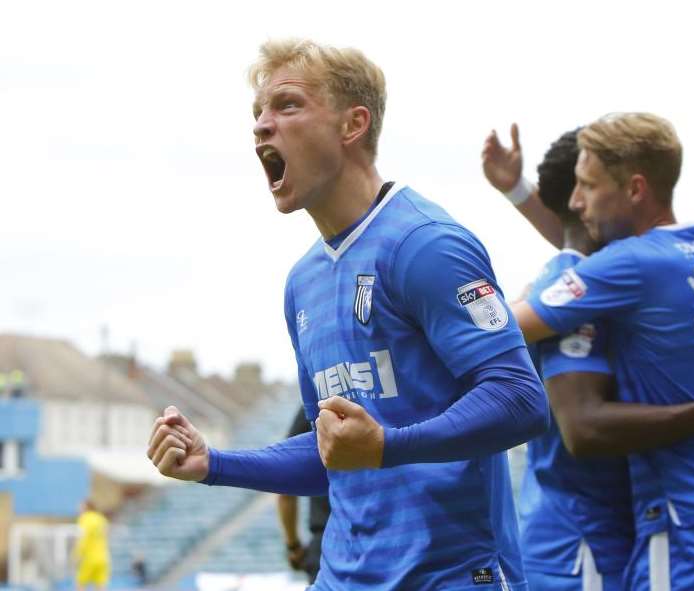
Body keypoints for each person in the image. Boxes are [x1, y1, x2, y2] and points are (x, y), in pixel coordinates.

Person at [147, 38, 548, 591]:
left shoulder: (425, 244)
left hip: (451, 575)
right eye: (257, 113)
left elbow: (521, 400)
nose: (262, 125)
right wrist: (214, 463)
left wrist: (388, 446)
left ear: (353, 124)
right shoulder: (302, 281)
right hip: (342, 578)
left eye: (287, 105)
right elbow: (329, 449)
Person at [508, 112, 694, 590]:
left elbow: (504, 328)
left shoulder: (624, 266)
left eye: (589, 186)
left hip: (692, 526)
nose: (578, 202)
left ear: (636, 189)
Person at [277, 406, 330, 584]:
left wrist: (293, 546)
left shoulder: (317, 401)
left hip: (326, 545)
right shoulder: (391, 398)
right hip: (389, 541)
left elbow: (284, 488)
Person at [74, 500, 110, 591]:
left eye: (80, 507)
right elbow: (106, 535)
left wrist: (77, 554)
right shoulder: (101, 518)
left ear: (86, 508)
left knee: (80, 584)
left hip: (89, 557)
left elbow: (83, 538)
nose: (79, 509)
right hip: (103, 557)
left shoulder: (85, 518)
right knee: (101, 586)